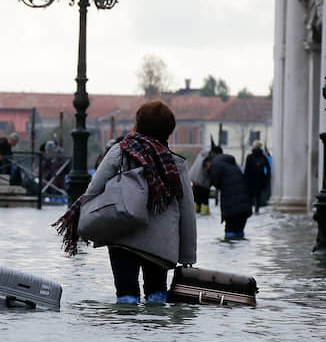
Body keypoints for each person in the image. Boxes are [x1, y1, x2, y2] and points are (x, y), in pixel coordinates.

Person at [54, 101, 197, 304]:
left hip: (122, 236)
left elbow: (94, 190)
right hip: (161, 244)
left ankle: (127, 331)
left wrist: (83, 222)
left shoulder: (120, 152)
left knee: (126, 295)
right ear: (169, 130)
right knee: (157, 297)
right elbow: (187, 212)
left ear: (138, 123)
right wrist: (187, 256)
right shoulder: (176, 164)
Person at [205, 152, 252, 238]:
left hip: (232, 207)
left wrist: (209, 172)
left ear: (208, 163)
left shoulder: (216, 165)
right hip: (244, 206)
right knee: (239, 233)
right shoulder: (232, 165)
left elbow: (215, 182)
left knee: (229, 234)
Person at [244, 140, 271, 214]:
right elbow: (268, 168)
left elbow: (246, 169)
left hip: (250, 178)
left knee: (250, 195)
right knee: (258, 195)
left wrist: (245, 179)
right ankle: (257, 209)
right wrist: (266, 177)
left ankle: (249, 209)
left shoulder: (249, 157)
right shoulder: (263, 157)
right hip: (260, 178)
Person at [189, 148, 212, 215]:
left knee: (196, 198)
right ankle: (204, 212)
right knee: (204, 199)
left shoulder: (201, 155)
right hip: (201, 182)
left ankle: (195, 211)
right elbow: (205, 171)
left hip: (194, 180)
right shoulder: (208, 159)